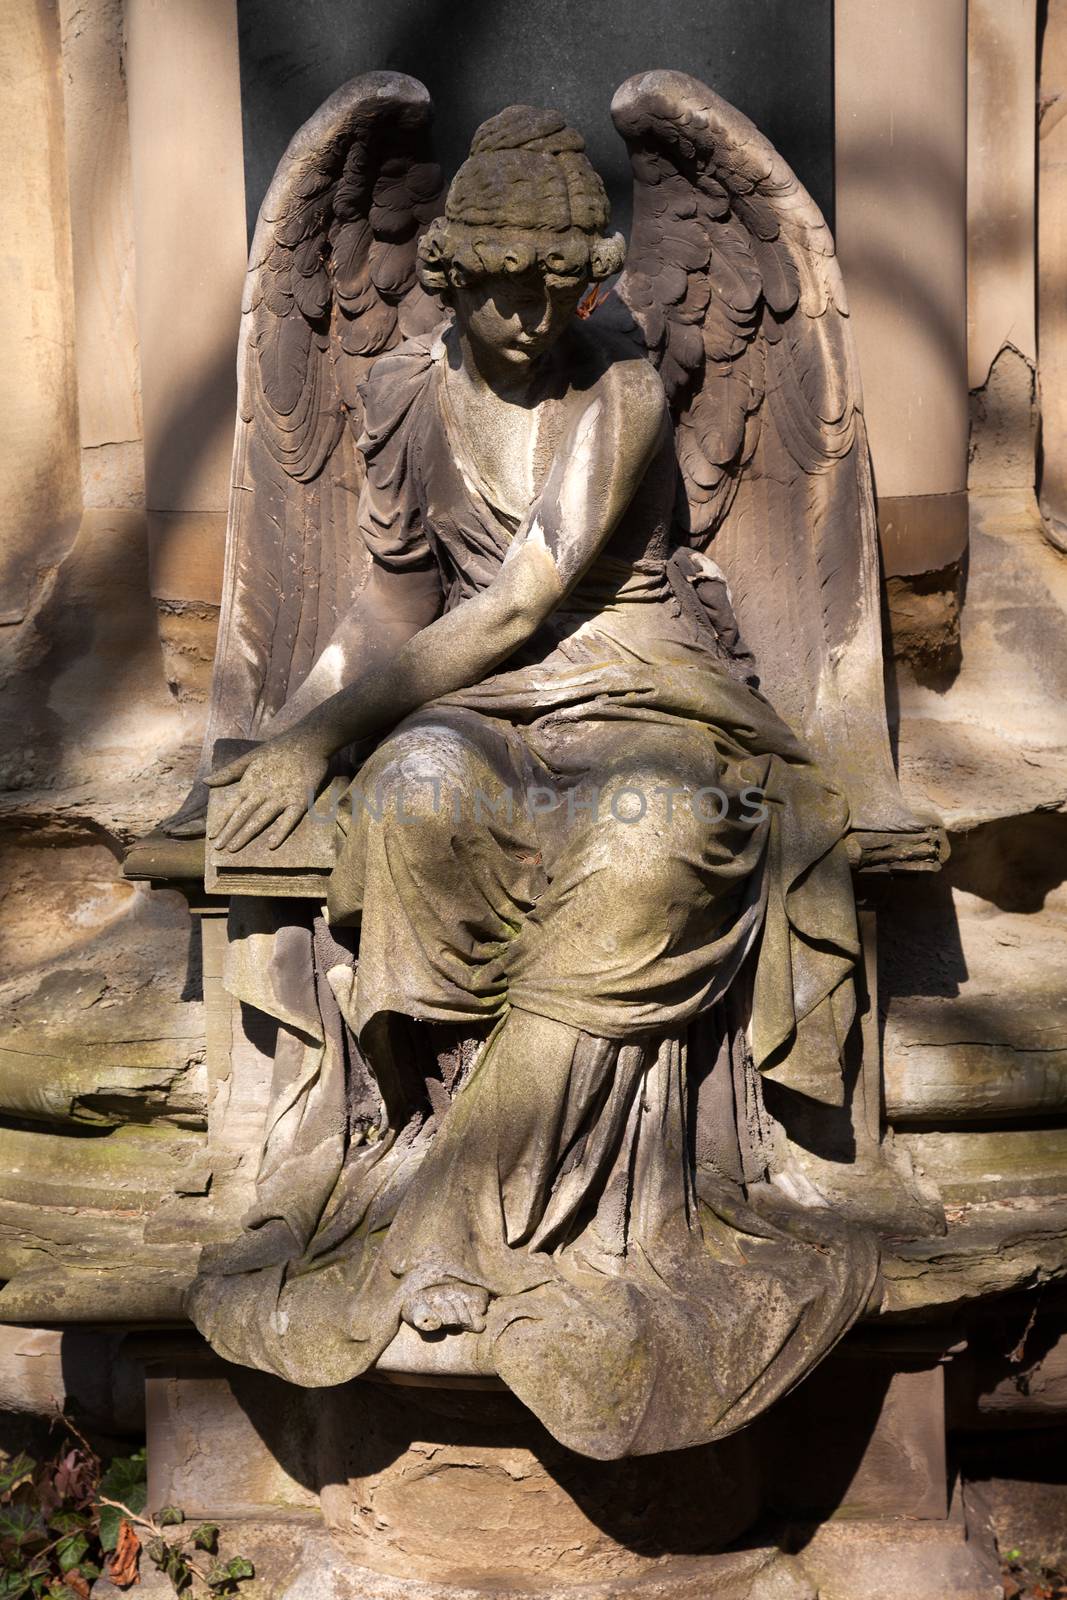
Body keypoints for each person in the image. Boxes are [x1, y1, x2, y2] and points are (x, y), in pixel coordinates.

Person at [193, 105, 876, 1458]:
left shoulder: (623, 392)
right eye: (498, 286)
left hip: (643, 680)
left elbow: (522, 608)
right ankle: (440, 1169)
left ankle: (461, 1215)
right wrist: (304, 728)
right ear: (450, 273)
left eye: (553, 288)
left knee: (654, 835)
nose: (523, 313)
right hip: (483, 704)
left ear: (588, 281)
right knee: (413, 803)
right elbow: (402, 611)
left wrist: (315, 740)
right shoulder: (401, 392)